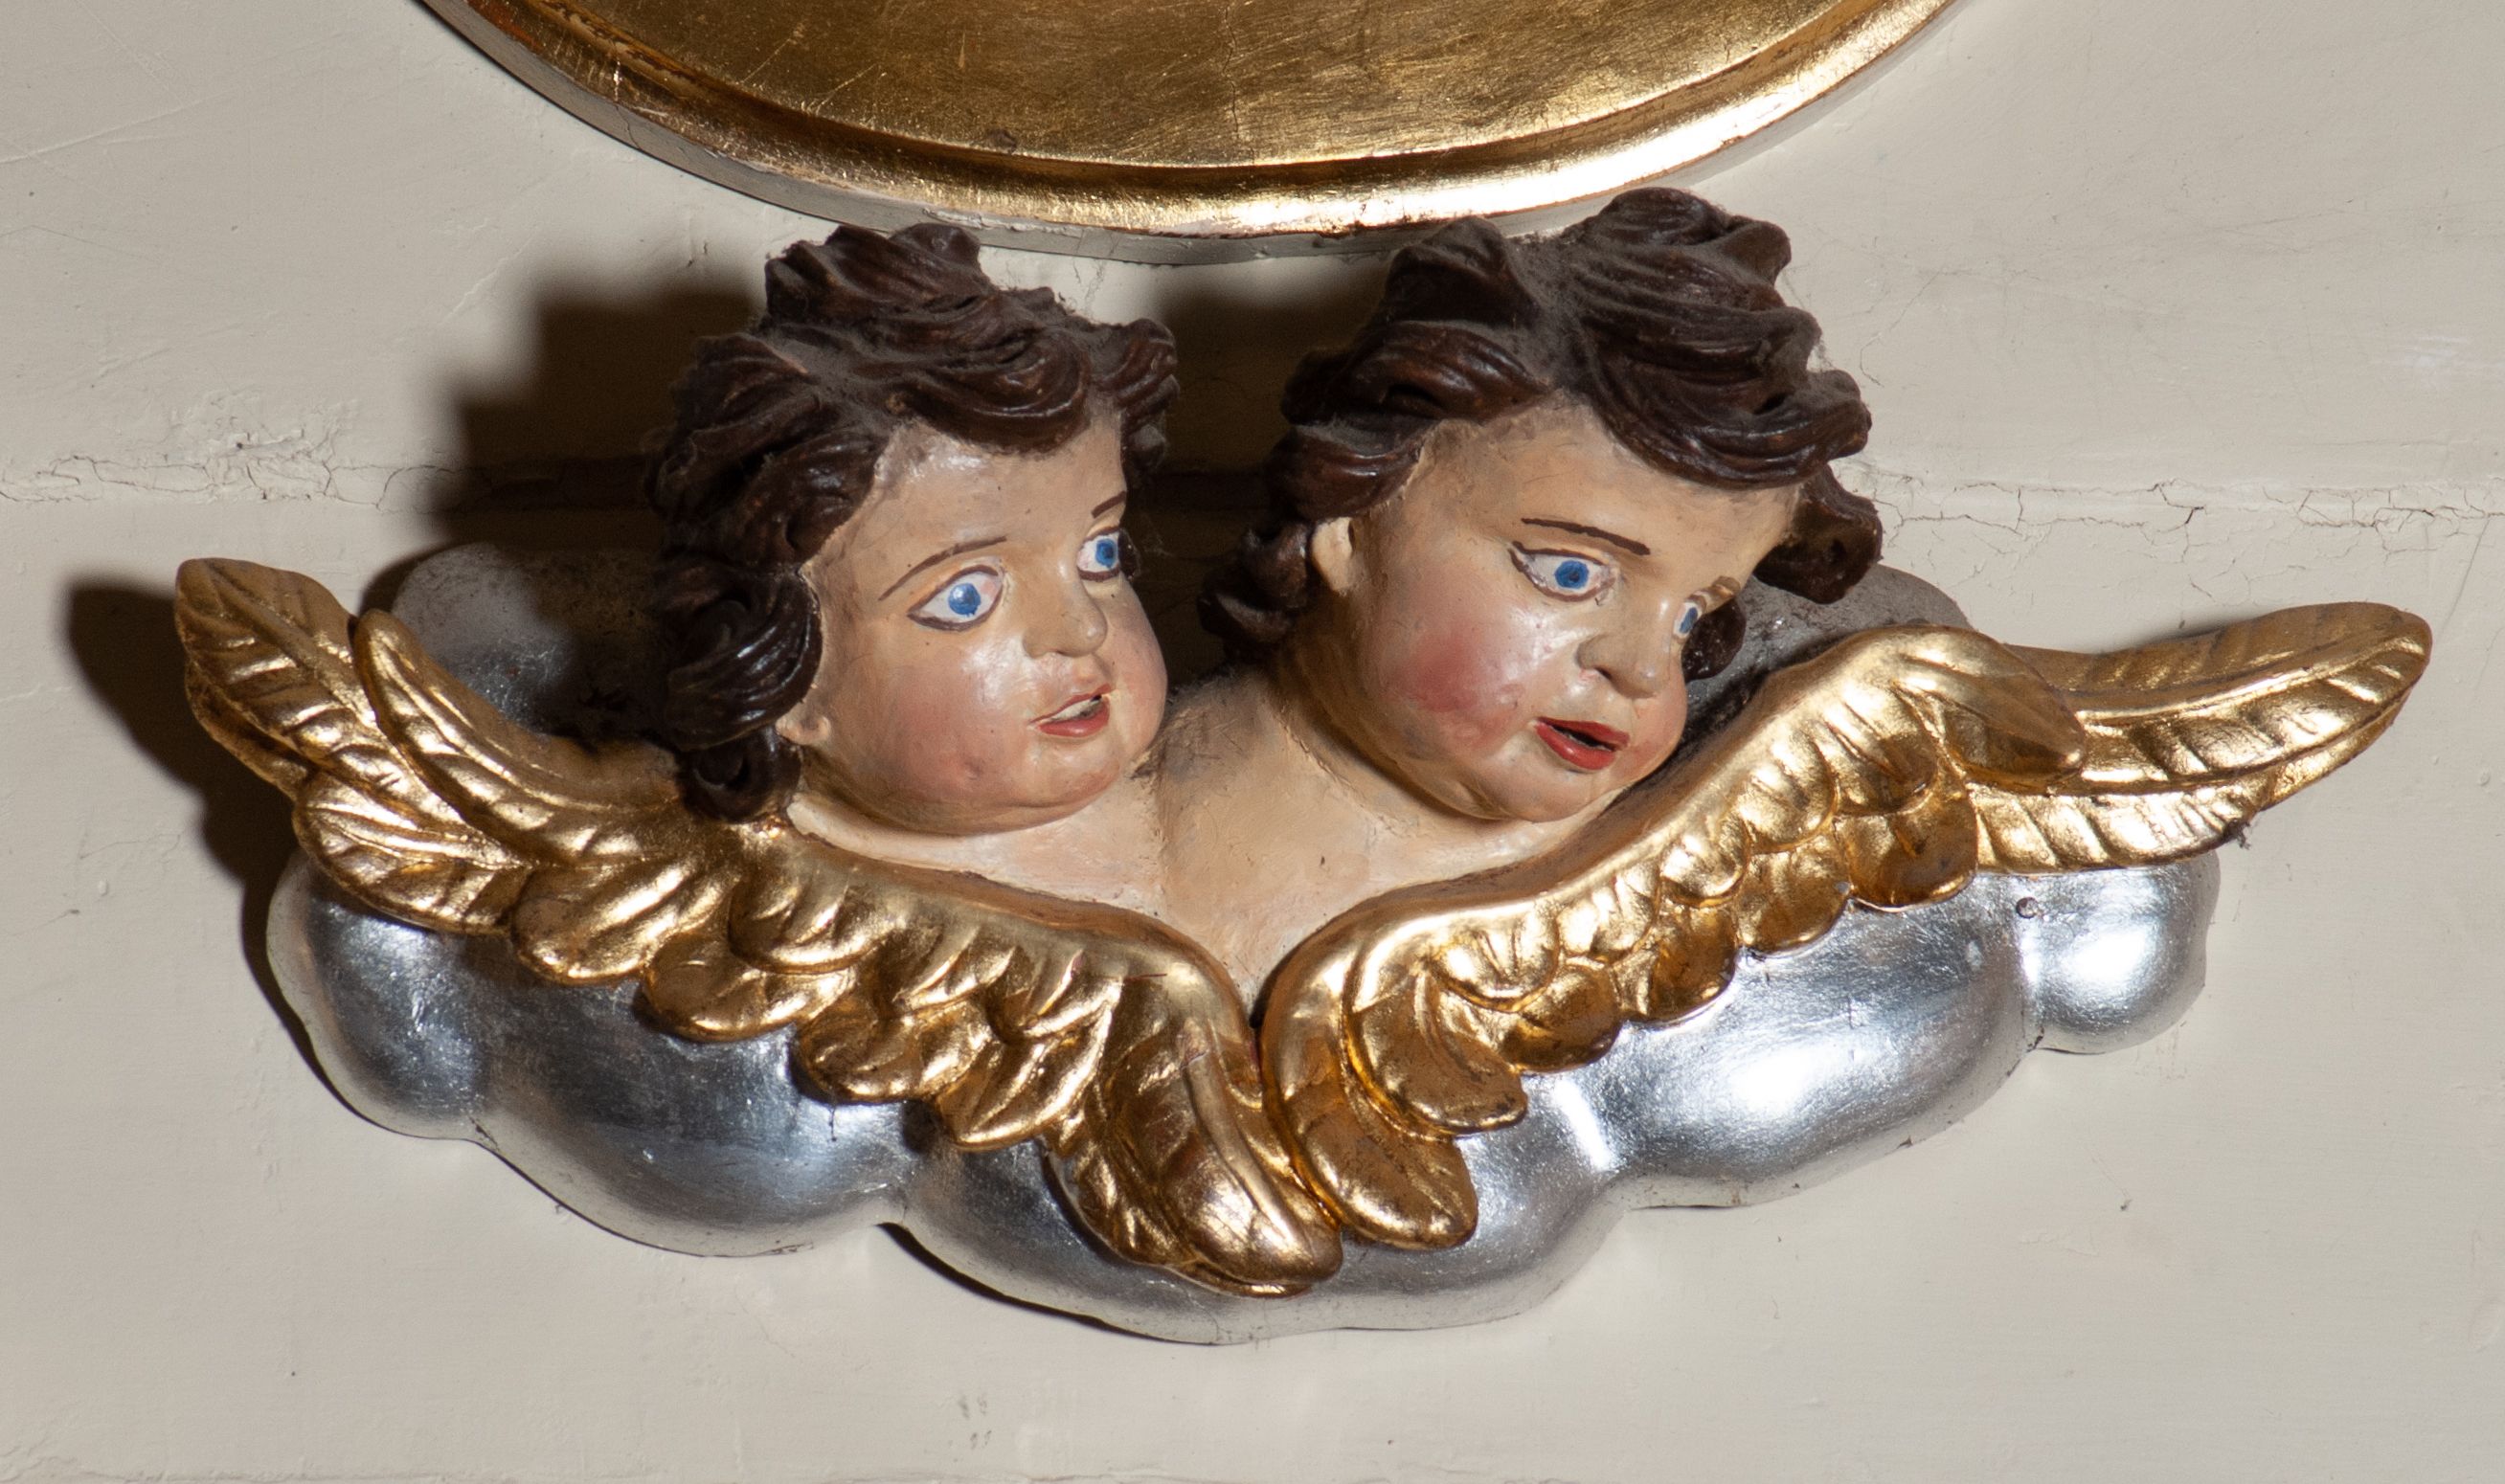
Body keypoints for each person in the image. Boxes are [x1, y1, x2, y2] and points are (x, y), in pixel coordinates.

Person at [1156, 189, 1884, 991]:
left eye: (1690, 614)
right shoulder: (1122, 844)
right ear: (1352, 527)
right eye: (1571, 573)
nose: (1644, 669)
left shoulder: (1672, 857)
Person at [644, 222, 1176, 905]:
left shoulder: (1216, 807)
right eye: (966, 598)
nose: (1083, 628)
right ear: (791, 682)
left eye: (1098, 554)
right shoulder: (742, 903)